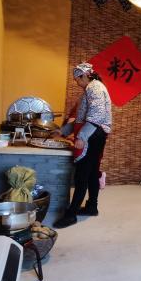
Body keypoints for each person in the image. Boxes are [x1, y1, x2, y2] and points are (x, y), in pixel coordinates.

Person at [54, 62, 112, 229]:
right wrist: (62, 131)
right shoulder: (90, 89)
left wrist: (82, 136)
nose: (77, 82)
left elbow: (96, 116)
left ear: (85, 75)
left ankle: (71, 214)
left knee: (82, 174)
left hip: (93, 134)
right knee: (92, 172)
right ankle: (92, 207)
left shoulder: (95, 88)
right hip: (94, 133)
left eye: (78, 79)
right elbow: (79, 119)